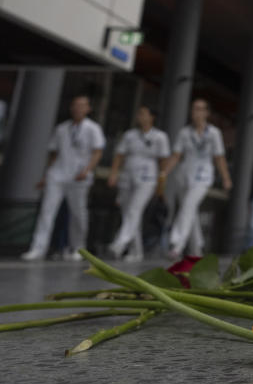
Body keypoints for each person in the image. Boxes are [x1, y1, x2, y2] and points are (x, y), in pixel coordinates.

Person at [21, 95, 105, 261]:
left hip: (79, 176)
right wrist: (46, 175)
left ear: (88, 109)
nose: (77, 108)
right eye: (75, 105)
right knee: (47, 211)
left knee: (78, 214)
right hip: (58, 174)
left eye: (82, 105)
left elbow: (97, 152)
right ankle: (38, 248)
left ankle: (78, 248)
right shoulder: (62, 128)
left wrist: (87, 170)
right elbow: (54, 153)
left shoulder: (93, 128)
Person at [160, 99, 232, 259]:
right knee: (190, 211)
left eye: (200, 109)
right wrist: (163, 172)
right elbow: (176, 156)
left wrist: (226, 178)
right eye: (194, 109)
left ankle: (176, 244)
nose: (196, 112)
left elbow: (219, 157)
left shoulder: (214, 133)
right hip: (184, 176)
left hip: (203, 177)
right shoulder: (184, 132)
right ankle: (197, 248)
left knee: (187, 206)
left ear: (207, 112)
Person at [106, 106, 170, 262]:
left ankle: (118, 244)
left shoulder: (160, 137)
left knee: (134, 211)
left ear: (152, 117)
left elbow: (163, 162)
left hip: (148, 178)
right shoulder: (129, 135)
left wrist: (161, 184)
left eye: (143, 114)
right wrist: (114, 174)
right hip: (127, 176)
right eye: (138, 113)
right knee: (128, 213)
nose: (139, 116)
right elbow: (119, 156)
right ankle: (136, 251)